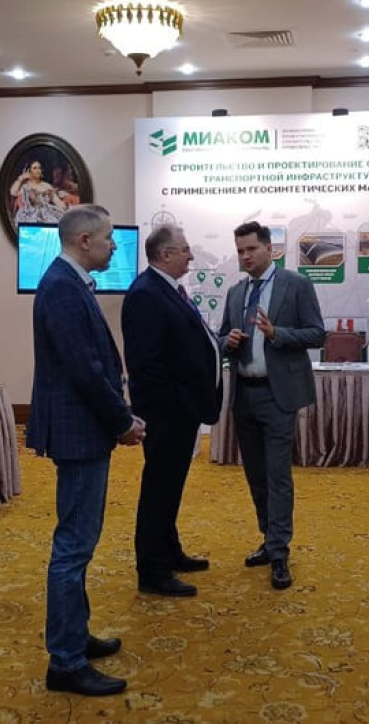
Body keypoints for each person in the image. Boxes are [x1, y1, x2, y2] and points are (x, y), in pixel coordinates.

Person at [26, 204, 146, 697]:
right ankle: (66, 661)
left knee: (79, 541)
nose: (114, 246)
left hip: (82, 429)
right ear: (83, 241)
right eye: (108, 238)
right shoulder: (61, 287)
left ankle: (75, 636)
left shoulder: (69, 282)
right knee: (73, 546)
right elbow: (84, 370)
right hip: (79, 432)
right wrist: (122, 421)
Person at [218, 221, 325, 590]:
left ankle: (279, 552)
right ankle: (268, 537)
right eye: (240, 251)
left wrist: (277, 333)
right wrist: (228, 341)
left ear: (270, 249)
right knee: (256, 475)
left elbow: (317, 333)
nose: (245, 256)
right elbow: (221, 337)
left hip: (278, 395)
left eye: (251, 249)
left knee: (278, 476)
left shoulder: (296, 285)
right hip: (243, 395)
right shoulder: (236, 292)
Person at [121, 225, 222, 598]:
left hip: (180, 412)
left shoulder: (168, 289)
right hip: (166, 414)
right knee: (158, 490)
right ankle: (152, 571)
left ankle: (169, 551)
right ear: (165, 255)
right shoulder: (146, 294)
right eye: (185, 250)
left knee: (169, 487)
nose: (191, 255)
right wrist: (176, 405)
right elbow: (145, 365)